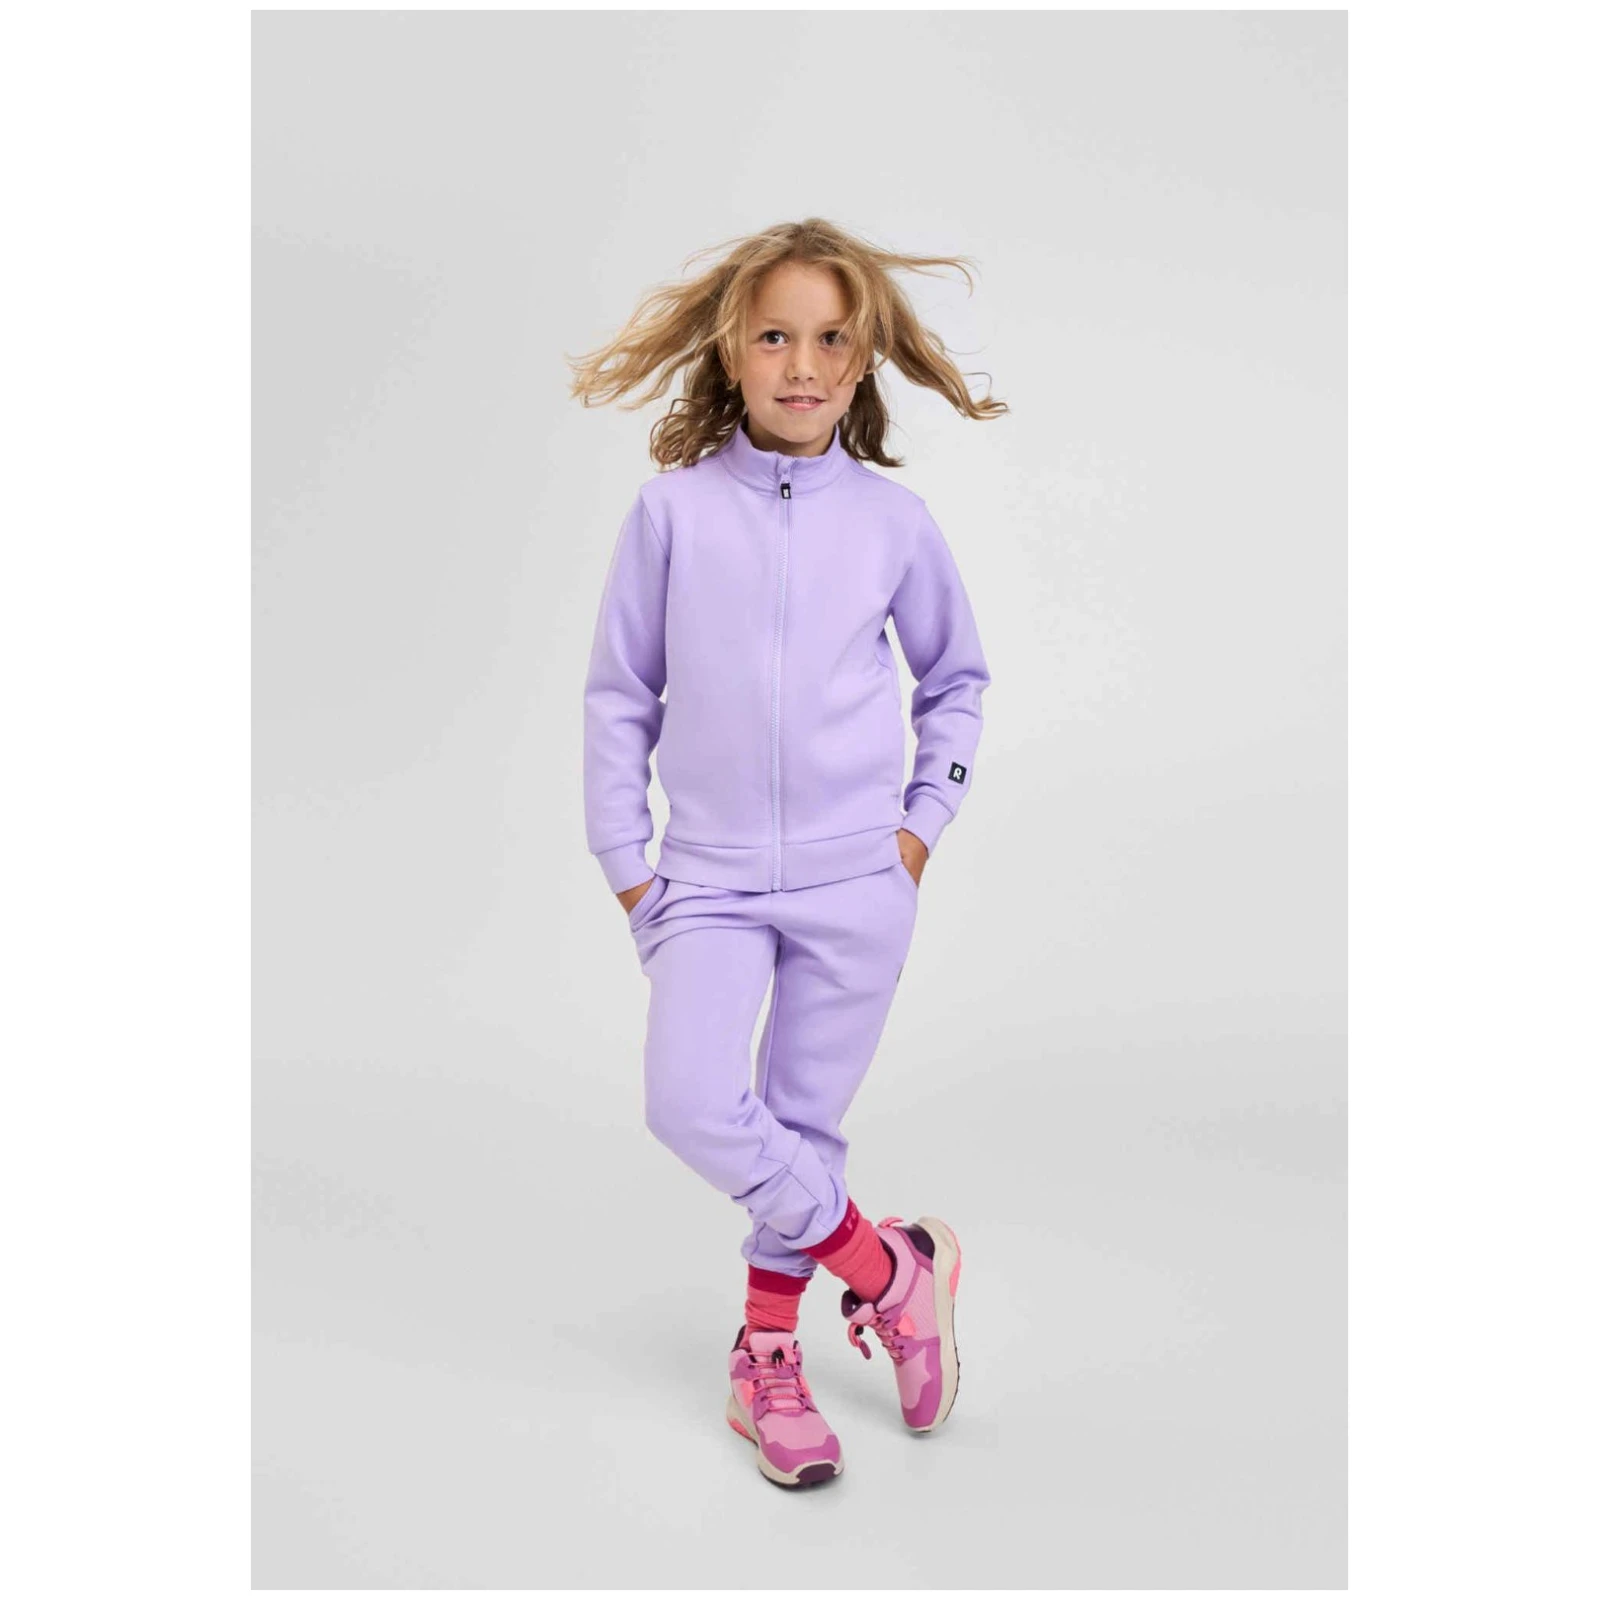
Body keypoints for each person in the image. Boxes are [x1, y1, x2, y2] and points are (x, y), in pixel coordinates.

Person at [568, 218, 1002, 1489]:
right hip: (703, 880)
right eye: (773, 336)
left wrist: (917, 832)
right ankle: (890, 1271)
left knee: (801, 1126)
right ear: (731, 350)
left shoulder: (893, 522)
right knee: (692, 1102)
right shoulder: (671, 513)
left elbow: (958, 681)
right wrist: (629, 864)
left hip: (856, 878)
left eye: (828, 338)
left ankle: (766, 1362)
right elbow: (618, 695)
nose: (801, 364)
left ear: (861, 359)